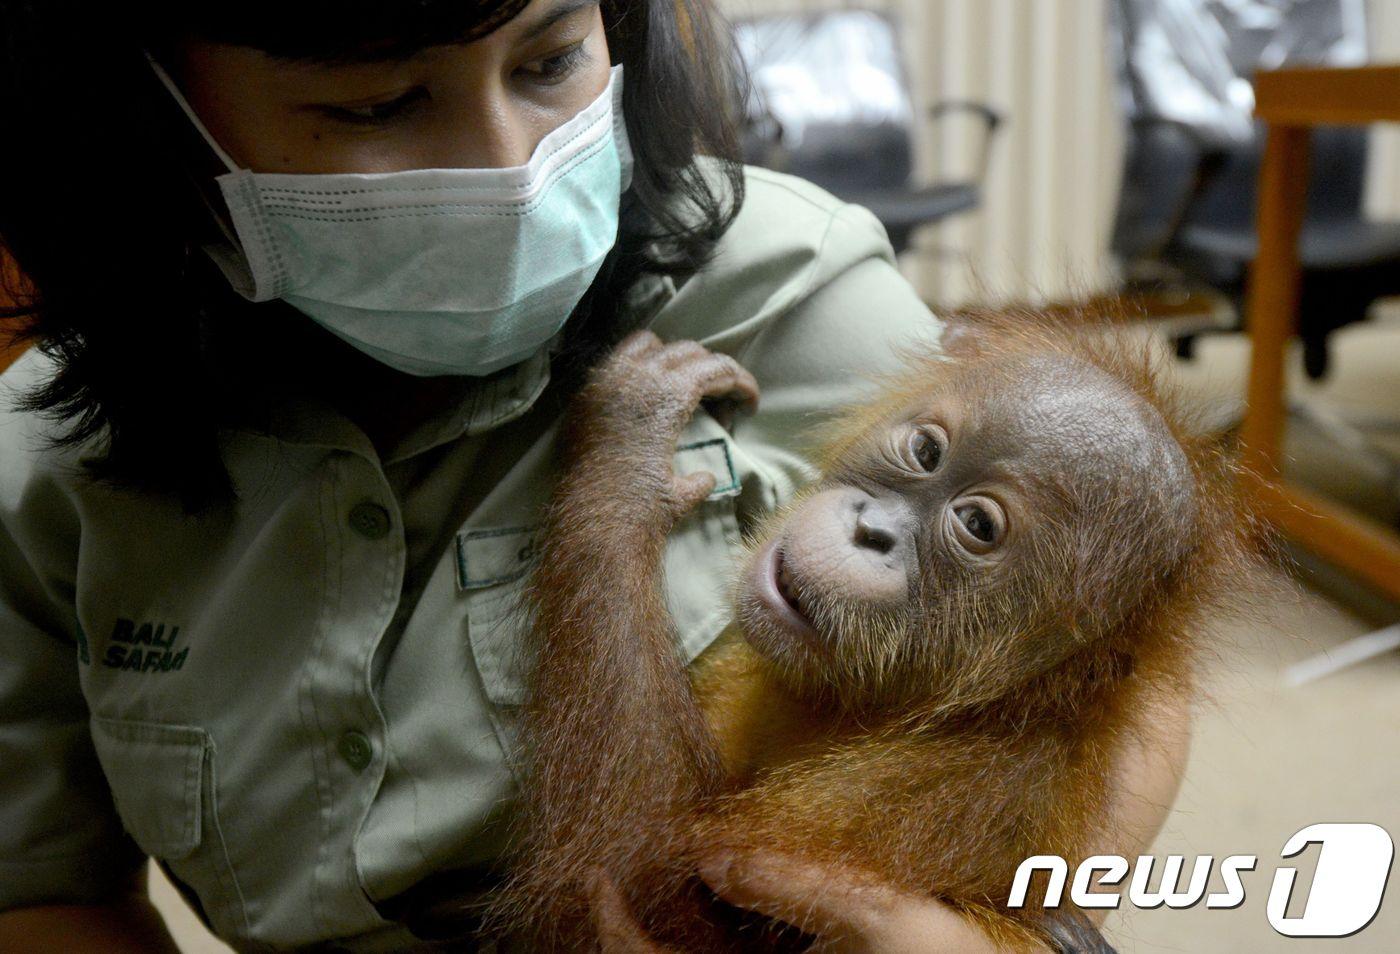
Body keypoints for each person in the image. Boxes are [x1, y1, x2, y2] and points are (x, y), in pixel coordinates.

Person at [0, 1, 1190, 950]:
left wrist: (1012, 935)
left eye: (551, 57)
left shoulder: (796, 290)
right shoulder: (46, 462)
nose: (510, 171)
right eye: (380, 101)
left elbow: (1102, 644)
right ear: (150, 114)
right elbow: (37, 889)